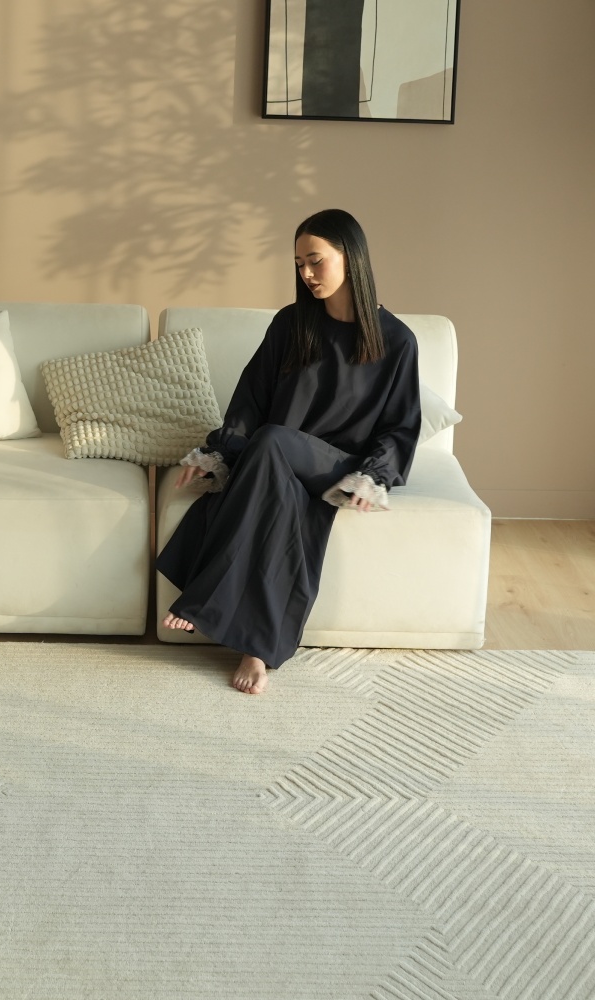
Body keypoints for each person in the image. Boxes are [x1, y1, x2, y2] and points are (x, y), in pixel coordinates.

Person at [156, 208, 421, 694]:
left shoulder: (397, 341)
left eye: (315, 261)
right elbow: (251, 397)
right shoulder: (291, 324)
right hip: (274, 460)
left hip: (335, 466)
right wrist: (219, 453)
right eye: (299, 264)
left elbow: (400, 426)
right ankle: (256, 649)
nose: (306, 274)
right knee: (271, 460)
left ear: (351, 257)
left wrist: (374, 476)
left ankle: (203, 597)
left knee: (273, 439)